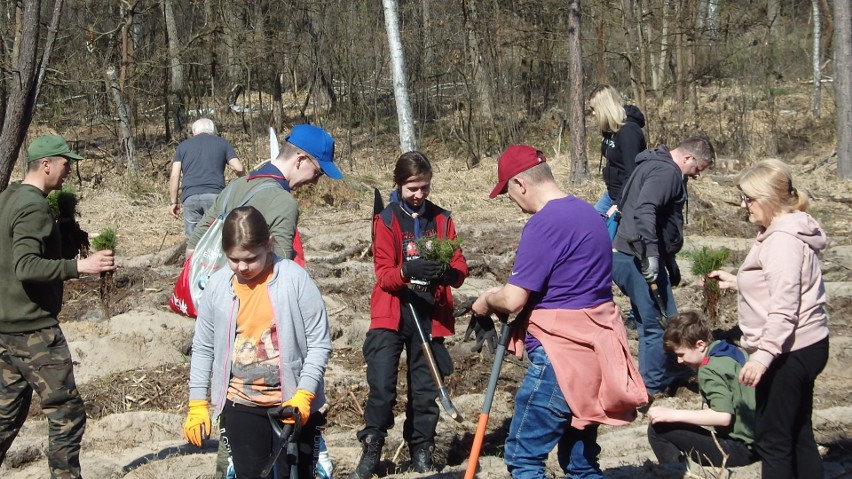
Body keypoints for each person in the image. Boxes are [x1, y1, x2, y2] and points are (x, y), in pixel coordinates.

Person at [471, 145, 647, 479]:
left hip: (560, 358)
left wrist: (486, 301)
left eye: (507, 192)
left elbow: (512, 300)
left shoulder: (545, 224)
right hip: (594, 355)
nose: (511, 200)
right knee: (580, 463)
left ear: (521, 184)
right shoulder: (589, 215)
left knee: (524, 458)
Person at [184, 206, 331, 479]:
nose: (242, 267)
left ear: (269, 244)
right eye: (234, 259)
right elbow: (204, 347)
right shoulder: (217, 286)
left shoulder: (294, 280)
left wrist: (305, 393)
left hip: (292, 403)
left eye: (252, 259)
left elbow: (319, 343)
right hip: (241, 403)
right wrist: (197, 403)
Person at [0, 135, 116, 478]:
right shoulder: (33, 206)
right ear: (46, 164)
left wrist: (62, 236)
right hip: (33, 330)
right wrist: (80, 266)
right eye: (66, 164)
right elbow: (25, 266)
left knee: (7, 414)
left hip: (6, 327)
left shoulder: (7, 198)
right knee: (66, 413)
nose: (69, 171)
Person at [349, 151, 468, 479]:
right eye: (412, 188)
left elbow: (459, 265)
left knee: (426, 388)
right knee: (383, 386)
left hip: (430, 313)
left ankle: (422, 451)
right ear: (398, 184)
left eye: (425, 188)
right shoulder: (386, 219)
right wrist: (407, 269)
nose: (419, 195)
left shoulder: (442, 219)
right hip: (393, 312)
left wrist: (446, 275)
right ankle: (372, 447)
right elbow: (384, 274)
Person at [708, 159, 829, 478]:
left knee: (773, 441)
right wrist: (739, 280)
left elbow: (785, 305)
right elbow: (783, 283)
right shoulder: (788, 229)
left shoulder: (781, 241)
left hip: (788, 350)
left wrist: (763, 357)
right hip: (805, 344)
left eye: (749, 199)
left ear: (770, 199)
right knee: (799, 433)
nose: (744, 206)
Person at [611, 137, 716, 398]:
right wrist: (652, 257)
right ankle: (652, 387)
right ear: (689, 158)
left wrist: (669, 260)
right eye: (698, 169)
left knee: (663, 318)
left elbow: (657, 218)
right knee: (657, 324)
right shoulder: (667, 172)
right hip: (637, 256)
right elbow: (645, 210)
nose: (697, 175)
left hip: (633, 254)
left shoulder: (653, 164)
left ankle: (672, 370)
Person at [187, 123, 343, 262]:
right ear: (300, 160)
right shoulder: (283, 202)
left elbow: (192, 249)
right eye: (318, 172)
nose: (315, 181)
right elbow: (281, 268)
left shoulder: (235, 185)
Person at [647, 311, 758, 469]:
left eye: (681, 354)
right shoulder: (728, 349)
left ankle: (674, 472)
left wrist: (671, 415)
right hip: (763, 439)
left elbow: (722, 416)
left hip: (740, 448)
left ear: (700, 345)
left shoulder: (709, 369)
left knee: (657, 428)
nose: (679, 360)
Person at [169, 118, 246, 236]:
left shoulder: (183, 147)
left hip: (190, 197)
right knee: (217, 237)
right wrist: (243, 182)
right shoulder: (222, 143)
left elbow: (175, 175)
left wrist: (173, 202)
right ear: (213, 130)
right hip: (214, 196)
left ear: (194, 131)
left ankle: (194, 255)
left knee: (193, 240)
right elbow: (238, 168)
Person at [588, 84, 647, 236]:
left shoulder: (629, 132)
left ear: (605, 107)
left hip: (625, 198)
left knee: (606, 238)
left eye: (594, 109)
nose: (593, 114)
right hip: (612, 194)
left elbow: (633, 173)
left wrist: (618, 204)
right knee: (590, 227)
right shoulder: (610, 130)